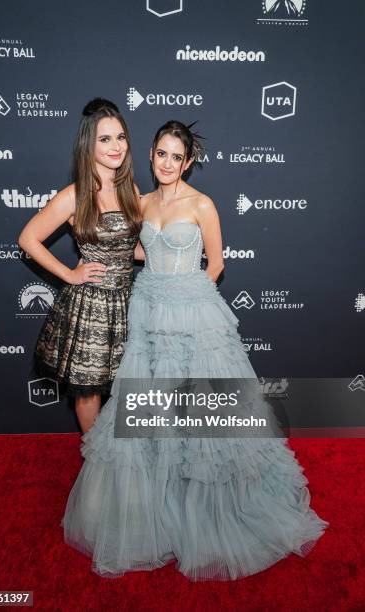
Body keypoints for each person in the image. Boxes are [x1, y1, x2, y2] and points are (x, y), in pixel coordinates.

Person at [61, 120, 329, 580]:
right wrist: (80, 235)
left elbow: (217, 261)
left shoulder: (203, 204)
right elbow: (129, 248)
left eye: (176, 157)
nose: (167, 163)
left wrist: (192, 300)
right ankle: (152, 506)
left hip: (193, 314)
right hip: (147, 310)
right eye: (160, 154)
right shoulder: (139, 203)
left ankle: (207, 506)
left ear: (188, 162)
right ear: (150, 155)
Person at [18, 98, 141, 433]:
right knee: (88, 390)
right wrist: (70, 274)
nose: (116, 146)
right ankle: (96, 461)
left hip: (128, 302)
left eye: (120, 137)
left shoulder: (129, 189)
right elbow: (28, 239)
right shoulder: (75, 195)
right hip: (92, 304)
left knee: (126, 386)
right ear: (89, 145)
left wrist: (178, 251)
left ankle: (122, 456)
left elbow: (134, 249)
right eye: (105, 139)